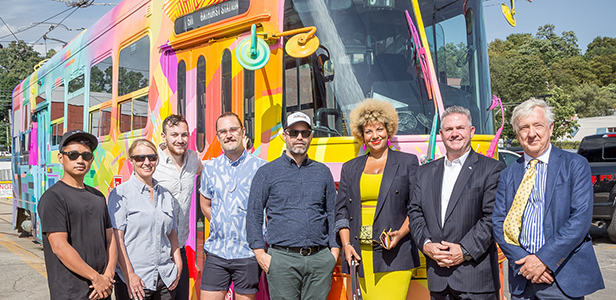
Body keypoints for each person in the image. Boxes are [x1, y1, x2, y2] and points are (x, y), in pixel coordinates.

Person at [492, 98, 604, 299]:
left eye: (538, 125)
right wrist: (525, 263)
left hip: (560, 277)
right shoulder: (508, 174)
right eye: (524, 128)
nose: (532, 133)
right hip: (523, 278)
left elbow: (580, 220)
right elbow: (500, 223)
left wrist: (543, 260)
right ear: (517, 135)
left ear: (550, 128)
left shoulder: (575, 165)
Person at [408, 106, 505, 299]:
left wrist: (464, 250)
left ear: (471, 131)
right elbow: (415, 212)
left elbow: (492, 217)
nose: (454, 134)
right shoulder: (423, 172)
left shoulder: (491, 169)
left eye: (460, 128)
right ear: (441, 134)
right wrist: (427, 245)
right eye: (449, 130)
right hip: (438, 278)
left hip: (475, 279)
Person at [246, 111, 339, 300]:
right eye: (294, 132)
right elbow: (254, 214)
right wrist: (260, 254)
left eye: (305, 133)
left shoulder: (323, 172)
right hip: (282, 260)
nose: (299, 137)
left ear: (311, 136)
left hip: (319, 260)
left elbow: (333, 213)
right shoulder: (267, 172)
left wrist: (334, 252)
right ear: (284, 135)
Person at [335, 98, 420, 299]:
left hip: (395, 254)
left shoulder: (407, 163)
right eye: (368, 131)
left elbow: (416, 207)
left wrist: (399, 234)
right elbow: (342, 211)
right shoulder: (350, 167)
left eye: (379, 129)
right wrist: (346, 246)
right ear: (362, 136)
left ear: (388, 130)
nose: (375, 136)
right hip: (360, 254)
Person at [38, 130, 117, 300]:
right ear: (61, 158)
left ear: (91, 160)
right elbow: (60, 247)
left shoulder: (98, 197)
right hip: (71, 292)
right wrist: (96, 278)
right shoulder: (53, 197)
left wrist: (108, 276)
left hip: (102, 290)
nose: (80, 160)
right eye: (73, 155)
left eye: (86, 155)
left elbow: (110, 239)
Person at [199, 112, 266, 300]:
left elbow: (269, 209)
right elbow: (205, 204)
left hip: (247, 253)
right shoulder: (210, 169)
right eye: (223, 131)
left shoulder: (261, 168)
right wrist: (222, 221)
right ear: (218, 136)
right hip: (216, 253)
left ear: (242, 132)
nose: (228, 135)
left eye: (233, 130)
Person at [108, 139, 183, 300]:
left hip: (166, 277)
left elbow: (171, 233)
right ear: (132, 161)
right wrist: (130, 275)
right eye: (140, 158)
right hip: (136, 281)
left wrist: (178, 264)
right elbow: (117, 238)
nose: (147, 162)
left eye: (152, 157)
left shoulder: (165, 195)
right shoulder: (120, 194)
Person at [153, 114, 202, 300]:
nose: (180, 140)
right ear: (163, 137)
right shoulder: (153, 163)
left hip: (179, 248)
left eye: (184, 135)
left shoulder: (193, 160)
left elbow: (209, 170)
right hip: (157, 251)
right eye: (174, 135)